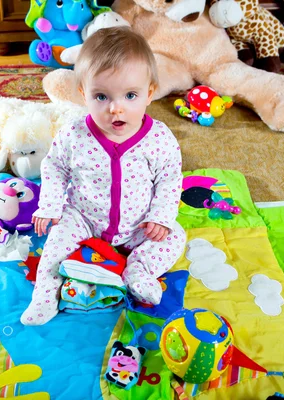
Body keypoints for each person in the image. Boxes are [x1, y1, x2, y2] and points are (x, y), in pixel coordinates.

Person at [21, 26, 186, 326]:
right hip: (83, 216)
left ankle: (139, 269)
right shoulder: (75, 133)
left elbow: (170, 178)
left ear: (149, 93)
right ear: (84, 94)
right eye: (101, 96)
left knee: (175, 236)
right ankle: (45, 294)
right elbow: (55, 167)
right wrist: (50, 206)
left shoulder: (159, 138)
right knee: (55, 242)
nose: (115, 108)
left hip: (139, 224)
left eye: (130, 95)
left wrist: (160, 216)